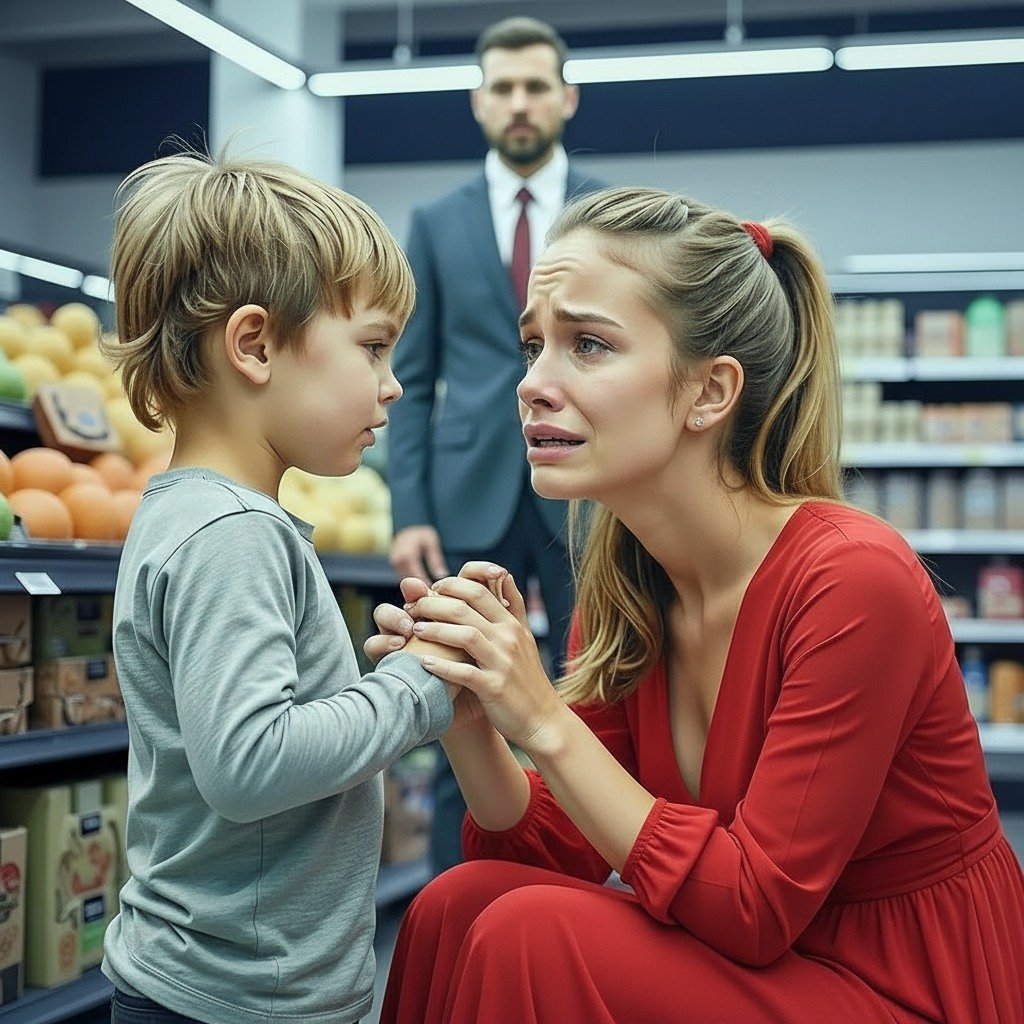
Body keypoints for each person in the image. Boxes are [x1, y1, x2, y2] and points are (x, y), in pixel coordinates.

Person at [369, 187, 1024, 1023]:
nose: (533, 384)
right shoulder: (630, 581)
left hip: (899, 985)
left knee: (533, 934)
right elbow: (559, 851)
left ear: (709, 393)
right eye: (533, 346)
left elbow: (755, 906)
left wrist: (540, 718)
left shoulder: (855, 581)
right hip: (763, 961)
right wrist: (470, 718)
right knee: (452, 907)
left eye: (589, 345)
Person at [98, 150, 460, 1024]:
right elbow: (250, 763)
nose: (393, 383)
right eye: (372, 347)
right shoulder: (234, 535)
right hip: (232, 1000)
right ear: (254, 344)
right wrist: (417, 687)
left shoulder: (199, 514)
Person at [387, 15, 603, 875]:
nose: (520, 104)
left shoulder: (606, 212)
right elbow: (412, 375)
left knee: (591, 687)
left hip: (584, 489)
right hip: (464, 490)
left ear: (566, 97)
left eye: (535, 86)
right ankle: (463, 890)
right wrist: (409, 512)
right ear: (480, 102)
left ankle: (578, 882)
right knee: (459, 696)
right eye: (503, 88)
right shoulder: (436, 222)